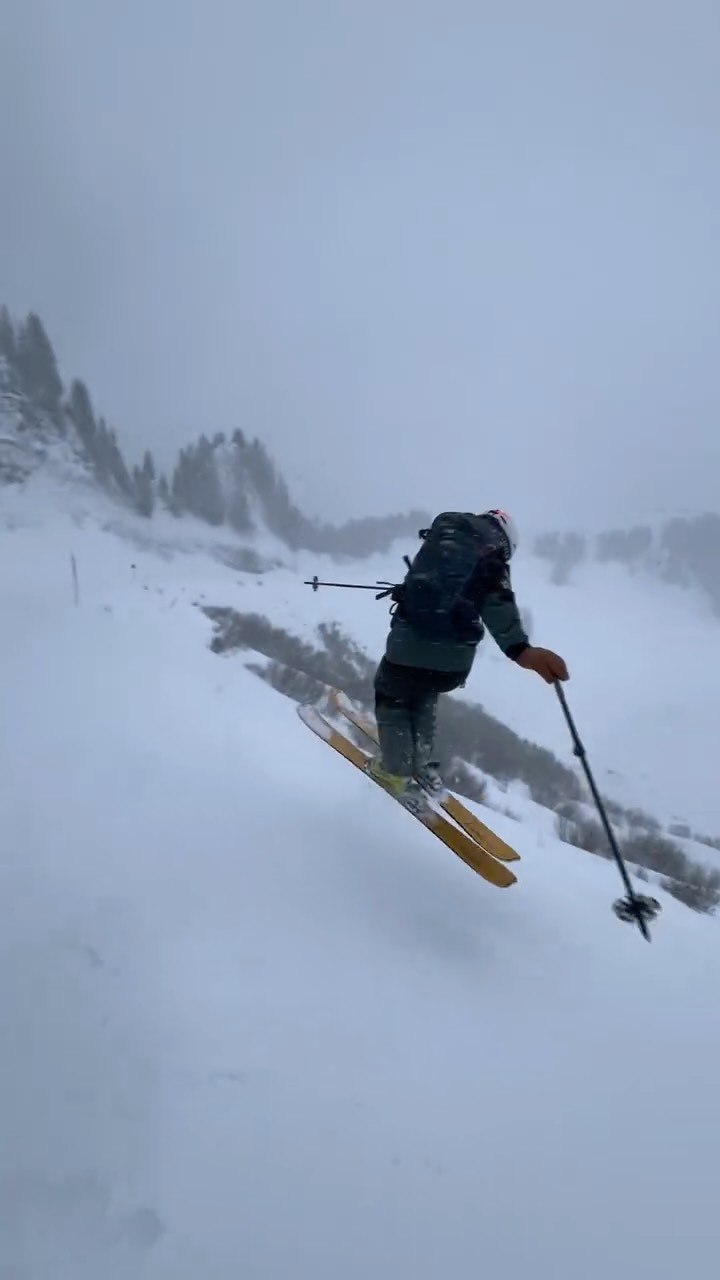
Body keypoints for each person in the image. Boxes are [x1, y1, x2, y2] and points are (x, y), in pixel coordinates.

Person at [366, 508, 569, 816]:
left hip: (408, 647)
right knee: (424, 694)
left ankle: (394, 772)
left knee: (393, 697)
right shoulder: (490, 557)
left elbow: (426, 587)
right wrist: (520, 649)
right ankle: (420, 765)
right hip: (454, 661)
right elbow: (497, 603)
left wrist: (406, 595)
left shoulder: (443, 538)